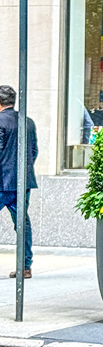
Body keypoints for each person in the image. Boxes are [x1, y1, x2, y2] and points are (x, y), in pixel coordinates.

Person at [0, 85, 37, 279]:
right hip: (23, 182)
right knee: (22, 223)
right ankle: (25, 266)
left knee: (22, 223)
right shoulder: (28, 122)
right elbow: (33, 152)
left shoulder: (0, 122)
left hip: (2, 182)